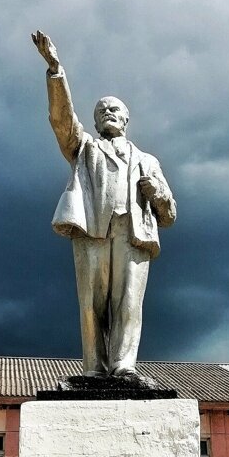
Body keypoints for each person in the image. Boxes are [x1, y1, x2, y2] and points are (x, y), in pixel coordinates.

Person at [32, 30, 176, 379]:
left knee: (128, 303)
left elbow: (169, 214)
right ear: (95, 122)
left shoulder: (148, 161)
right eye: (101, 110)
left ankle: (124, 366)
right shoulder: (85, 148)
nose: (108, 113)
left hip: (134, 234)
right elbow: (62, 121)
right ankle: (95, 368)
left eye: (114, 110)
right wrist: (55, 70)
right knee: (91, 304)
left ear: (125, 120)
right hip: (93, 230)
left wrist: (156, 192)